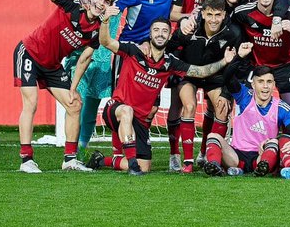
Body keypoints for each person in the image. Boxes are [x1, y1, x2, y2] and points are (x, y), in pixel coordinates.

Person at [91, 18, 233, 175]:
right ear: (150, 34)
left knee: (145, 167)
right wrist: (104, 22)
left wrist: (225, 61)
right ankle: (132, 164)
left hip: (139, 121)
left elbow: (201, 72)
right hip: (116, 109)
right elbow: (105, 41)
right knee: (127, 111)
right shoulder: (133, 50)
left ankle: (101, 160)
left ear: (169, 35)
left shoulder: (170, 63)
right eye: (156, 30)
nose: (160, 34)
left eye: (164, 31)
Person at [14, 0, 115, 173]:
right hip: (29, 52)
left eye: (107, 1)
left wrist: (73, 88)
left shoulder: (97, 31)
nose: (102, 3)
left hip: (51, 65)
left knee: (74, 104)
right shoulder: (71, 5)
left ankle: (69, 160)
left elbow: (84, 60)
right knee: (31, 103)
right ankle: (26, 160)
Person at [59, 0, 136, 151]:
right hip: (81, 49)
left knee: (93, 103)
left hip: (105, 55)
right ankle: (71, 151)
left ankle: (80, 148)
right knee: (76, 100)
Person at [167, 0, 246, 172]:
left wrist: (226, 93)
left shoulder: (233, 33)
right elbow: (170, 47)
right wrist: (180, 28)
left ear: (224, 15)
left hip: (215, 74)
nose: (213, 19)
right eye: (209, 14)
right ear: (202, 13)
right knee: (188, 106)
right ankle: (182, 160)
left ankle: (207, 153)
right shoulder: (190, 27)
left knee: (222, 107)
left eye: (218, 15)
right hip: (188, 72)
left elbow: (236, 64)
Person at [201, 57, 290, 177]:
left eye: (269, 82)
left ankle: (262, 168)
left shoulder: (282, 108)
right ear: (253, 85)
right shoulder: (244, 96)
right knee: (213, 136)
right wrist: (239, 57)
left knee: (273, 142)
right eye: (261, 82)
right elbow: (227, 77)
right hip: (235, 156)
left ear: (274, 85)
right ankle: (214, 166)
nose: (265, 86)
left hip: (261, 155)